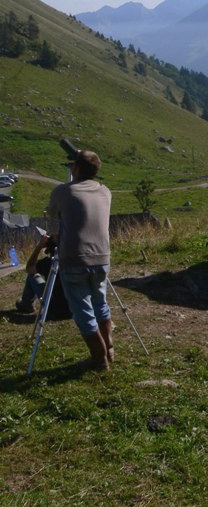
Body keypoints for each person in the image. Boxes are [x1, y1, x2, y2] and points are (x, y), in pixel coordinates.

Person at [46, 149, 113, 371]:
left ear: (74, 168)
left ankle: (99, 358)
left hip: (74, 258)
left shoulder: (63, 192)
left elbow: (53, 213)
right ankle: (109, 347)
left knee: (83, 311)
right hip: (102, 257)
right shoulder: (105, 191)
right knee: (100, 303)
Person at [15, 233, 71, 320]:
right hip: (74, 309)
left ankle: (26, 304)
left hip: (55, 309)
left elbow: (29, 268)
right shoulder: (73, 261)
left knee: (33, 276)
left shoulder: (48, 263)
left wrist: (38, 247)